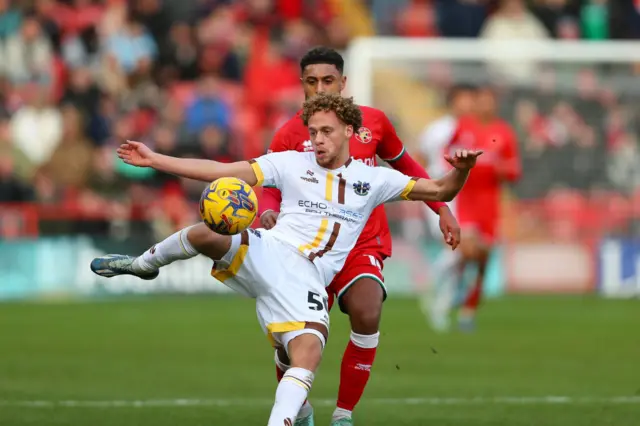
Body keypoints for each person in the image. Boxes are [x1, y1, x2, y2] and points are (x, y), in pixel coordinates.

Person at [90, 93, 481, 426]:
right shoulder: (291, 162)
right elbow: (223, 171)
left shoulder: (374, 180)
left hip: (307, 278)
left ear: (349, 130)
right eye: (313, 132)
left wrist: (460, 170)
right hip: (269, 251)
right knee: (205, 232)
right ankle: (144, 265)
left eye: (326, 131)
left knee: (305, 353)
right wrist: (156, 159)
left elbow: (441, 190)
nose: (318, 140)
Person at [260, 46, 461, 426]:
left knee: (368, 311)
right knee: (289, 344)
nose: (320, 87)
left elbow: (407, 166)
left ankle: (343, 415)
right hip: (306, 250)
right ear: (302, 84)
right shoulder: (289, 133)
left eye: (328, 80)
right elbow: (267, 181)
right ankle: (299, 410)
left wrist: (442, 208)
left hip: (360, 243)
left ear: (344, 82)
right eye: (312, 81)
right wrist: (266, 211)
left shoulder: (374, 123)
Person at [428, 85, 521, 332]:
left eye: (491, 101)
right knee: (467, 250)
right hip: (465, 199)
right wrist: (457, 168)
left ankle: (468, 310)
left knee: (483, 260)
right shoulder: (464, 126)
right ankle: (452, 291)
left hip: (490, 204)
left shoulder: (504, 132)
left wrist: (496, 166)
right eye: (482, 100)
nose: (486, 106)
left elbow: (514, 171)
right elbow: (446, 153)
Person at [418, 83, 477, 332]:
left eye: (470, 100)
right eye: (463, 99)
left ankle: (439, 305)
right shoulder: (438, 129)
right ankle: (431, 292)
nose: (467, 105)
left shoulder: (475, 130)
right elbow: (418, 158)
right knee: (456, 248)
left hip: (467, 197)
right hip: (439, 194)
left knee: (462, 253)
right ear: (453, 101)